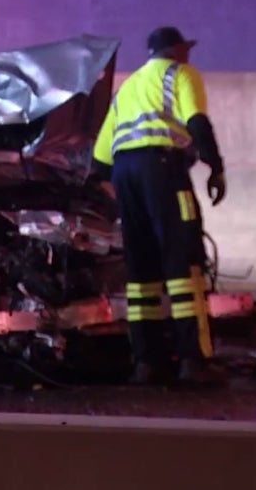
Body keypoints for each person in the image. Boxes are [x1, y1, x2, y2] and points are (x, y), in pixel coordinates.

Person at [91, 26, 228, 387]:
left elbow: (100, 159)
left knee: (141, 271)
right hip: (163, 169)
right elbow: (197, 121)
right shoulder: (182, 74)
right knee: (183, 260)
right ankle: (193, 360)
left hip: (125, 174)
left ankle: (147, 362)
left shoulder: (129, 87)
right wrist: (216, 167)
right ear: (177, 50)